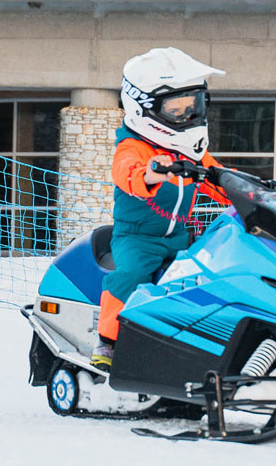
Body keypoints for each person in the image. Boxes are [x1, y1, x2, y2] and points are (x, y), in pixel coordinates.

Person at [92, 47, 228, 369]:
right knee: (131, 274)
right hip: (138, 237)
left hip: (181, 236)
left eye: (192, 106)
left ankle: (201, 343)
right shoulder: (133, 147)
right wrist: (152, 172)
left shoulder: (188, 151)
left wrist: (251, 191)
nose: (186, 116)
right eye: (176, 109)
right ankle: (108, 340)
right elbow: (126, 173)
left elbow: (217, 177)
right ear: (144, 108)